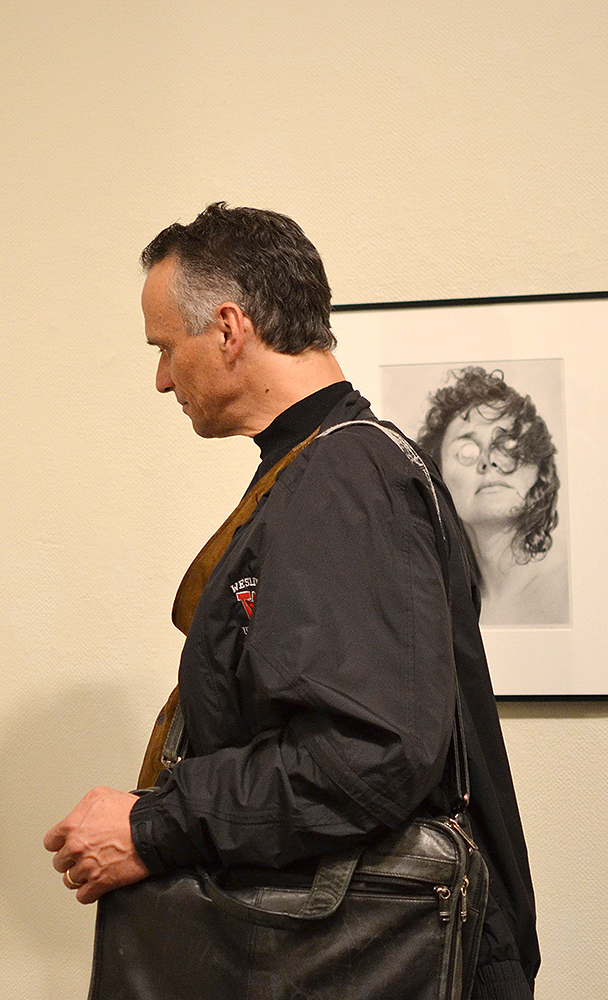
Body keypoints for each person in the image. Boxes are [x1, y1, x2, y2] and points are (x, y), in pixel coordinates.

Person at [44, 204, 539, 998]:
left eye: (167, 348)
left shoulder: (344, 482)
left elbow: (367, 757)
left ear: (230, 328)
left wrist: (152, 826)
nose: (163, 378)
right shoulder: (330, 469)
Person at [416, 366, 568, 626]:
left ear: (539, 469)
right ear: (437, 477)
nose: (489, 462)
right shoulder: (434, 610)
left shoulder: (568, 590)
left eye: (508, 446)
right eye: (467, 450)